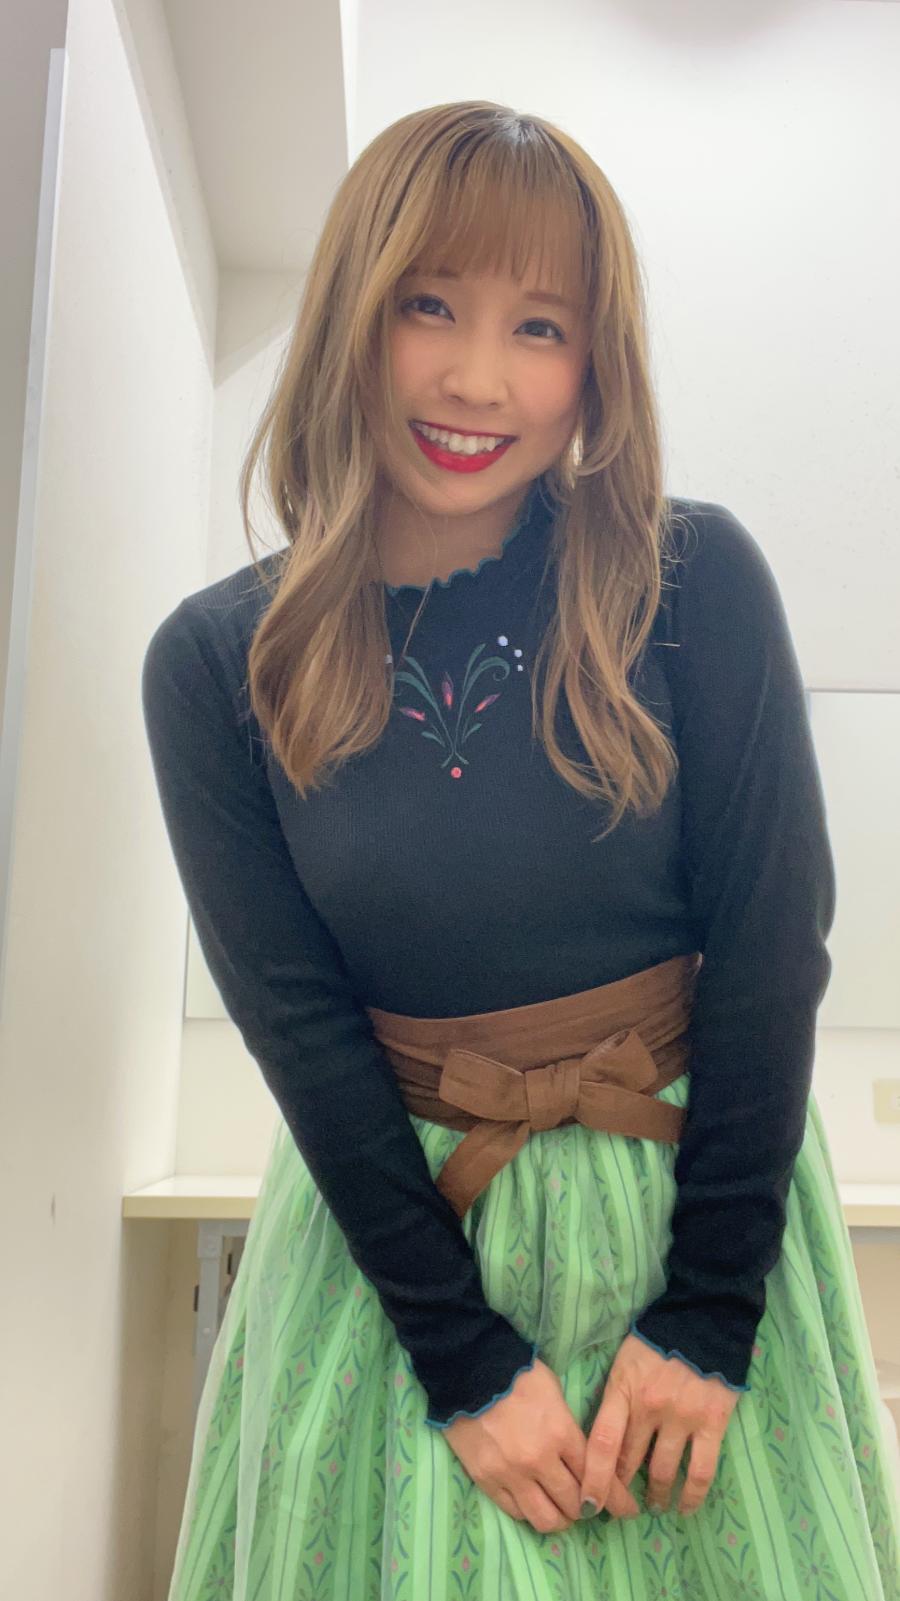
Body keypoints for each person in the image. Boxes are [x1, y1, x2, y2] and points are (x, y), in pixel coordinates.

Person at [141, 100, 900, 1601]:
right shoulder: (217, 662)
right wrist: (465, 1362)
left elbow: (772, 947)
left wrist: (709, 1319)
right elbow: (300, 1031)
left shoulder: (692, 579)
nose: (479, 379)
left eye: (540, 327)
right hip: (396, 1267)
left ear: (595, 364)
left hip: (691, 1228)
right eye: (429, 305)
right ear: (352, 315)